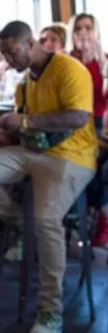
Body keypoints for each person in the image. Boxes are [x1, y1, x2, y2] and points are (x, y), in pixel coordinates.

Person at [0, 21, 96, 333]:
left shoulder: (69, 69)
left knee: (46, 221)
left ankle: (49, 312)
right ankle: (19, 220)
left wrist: (26, 122)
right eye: (4, 54)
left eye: (12, 52)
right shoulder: (25, 83)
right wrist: (6, 133)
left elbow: (77, 116)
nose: (8, 59)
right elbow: (28, 130)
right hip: (31, 152)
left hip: (72, 155)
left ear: (30, 43)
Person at [67, 13, 108, 246]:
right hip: (70, 122)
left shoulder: (104, 60)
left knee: (96, 164)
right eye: (78, 28)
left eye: (88, 27)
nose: (83, 32)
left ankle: (99, 217)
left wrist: (103, 66)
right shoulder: (65, 60)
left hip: (96, 122)